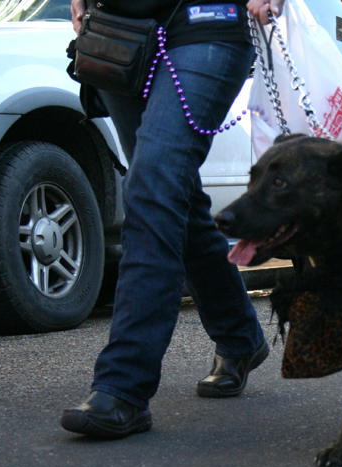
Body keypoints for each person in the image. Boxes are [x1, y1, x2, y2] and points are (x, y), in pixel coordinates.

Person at [60, 0, 285, 439]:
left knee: (153, 183)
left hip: (208, 20)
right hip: (118, 27)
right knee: (171, 192)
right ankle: (240, 335)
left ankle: (123, 385)